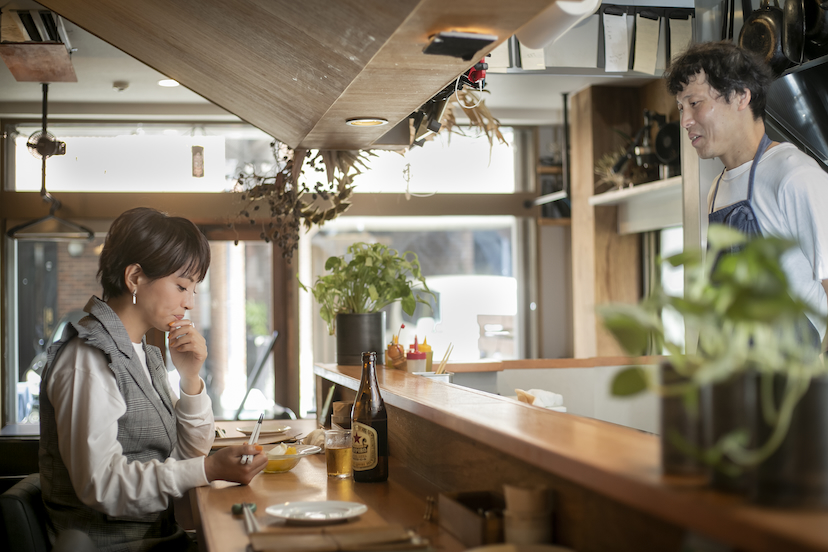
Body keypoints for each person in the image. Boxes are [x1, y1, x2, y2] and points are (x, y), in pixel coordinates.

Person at [39, 207, 267, 551]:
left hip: (159, 536)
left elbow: (190, 453)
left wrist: (190, 377)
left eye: (193, 289)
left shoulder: (143, 353)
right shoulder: (88, 359)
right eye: (181, 286)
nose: (189, 303)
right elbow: (101, 484)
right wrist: (208, 469)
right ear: (135, 278)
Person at [665, 41, 828, 352]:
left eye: (695, 103)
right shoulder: (716, 189)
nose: (685, 121)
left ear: (741, 96)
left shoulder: (793, 176)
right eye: (681, 108)